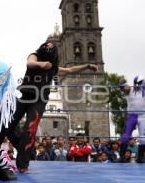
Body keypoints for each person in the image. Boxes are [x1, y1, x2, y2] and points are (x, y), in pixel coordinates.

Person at [7, 41, 98, 172]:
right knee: (8, 125)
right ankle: (22, 146)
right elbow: (30, 63)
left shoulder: (53, 67)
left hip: (39, 100)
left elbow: (70, 70)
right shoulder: (34, 56)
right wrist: (41, 64)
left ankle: (23, 164)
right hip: (26, 96)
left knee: (30, 129)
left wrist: (88, 66)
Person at [119, 75, 145, 162]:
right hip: (132, 115)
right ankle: (122, 157)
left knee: (143, 139)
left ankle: (140, 158)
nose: (137, 85)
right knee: (125, 137)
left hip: (143, 116)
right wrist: (122, 82)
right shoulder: (130, 89)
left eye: (139, 83)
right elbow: (122, 87)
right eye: (136, 83)